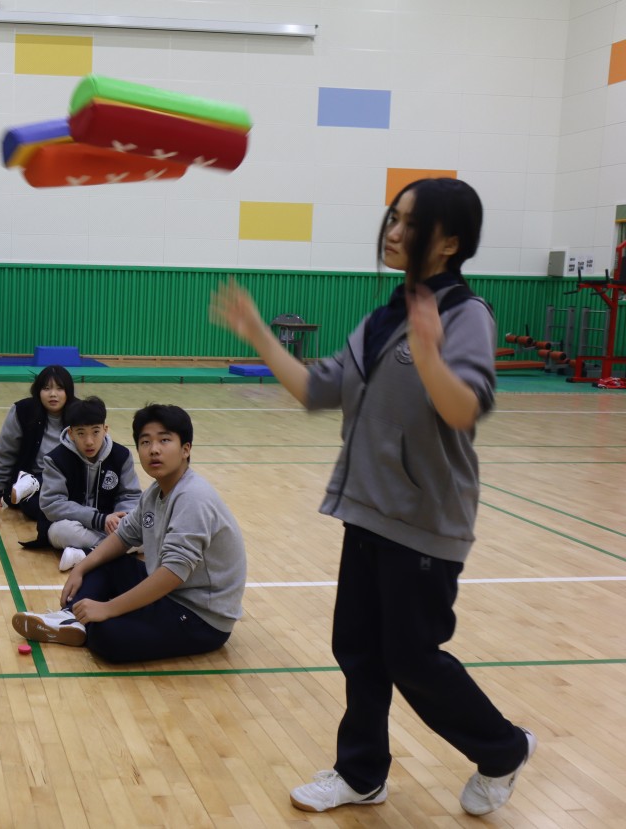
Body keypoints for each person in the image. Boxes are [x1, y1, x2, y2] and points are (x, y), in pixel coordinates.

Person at [210, 177, 535, 816]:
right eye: (393, 217)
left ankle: (504, 749)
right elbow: (316, 390)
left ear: (448, 242)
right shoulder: (383, 317)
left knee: (412, 659)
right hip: (365, 512)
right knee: (358, 650)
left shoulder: (465, 315)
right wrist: (259, 335)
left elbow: (463, 407)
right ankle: (361, 773)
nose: (393, 230)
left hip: (424, 521)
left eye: (410, 222)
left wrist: (430, 355)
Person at [12, 405, 246, 664]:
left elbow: (173, 573)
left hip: (200, 616)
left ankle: (81, 621)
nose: (154, 449)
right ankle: (71, 618)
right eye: (145, 442)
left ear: (185, 449)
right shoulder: (156, 492)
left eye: (164, 440)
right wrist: (81, 568)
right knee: (100, 561)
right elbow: (123, 536)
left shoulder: (193, 497)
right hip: (172, 596)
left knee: (109, 637)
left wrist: (107, 608)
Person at [36, 396, 141, 571]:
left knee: (148, 527)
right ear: (71, 433)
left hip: (112, 526)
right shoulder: (55, 459)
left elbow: (130, 496)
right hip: (75, 526)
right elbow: (52, 504)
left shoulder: (122, 455)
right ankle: (114, 550)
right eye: (81, 433)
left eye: (95, 432)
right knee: (59, 532)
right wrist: (98, 519)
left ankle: (86, 554)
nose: (89, 441)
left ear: (105, 429)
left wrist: (121, 520)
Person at [0, 366, 77, 522]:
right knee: (32, 506)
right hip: (35, 481)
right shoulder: (23, 411)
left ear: (69, 391)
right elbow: (5, 451)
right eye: (46, 388)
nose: (53, 394)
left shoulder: (80, 412)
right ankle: (34, 484)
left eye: (60, 389)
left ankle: (39, 487)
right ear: (38, 391)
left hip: (70, 480)